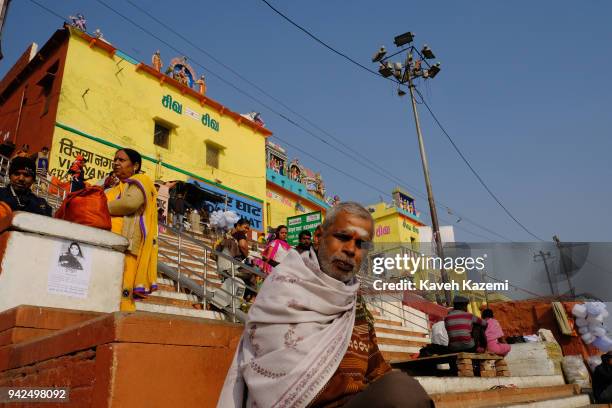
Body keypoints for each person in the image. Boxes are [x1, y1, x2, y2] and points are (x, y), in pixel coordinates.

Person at [219, 202, 433, 408]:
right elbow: (280, 379)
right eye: (342, 237)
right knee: (402, 392)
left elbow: (376, 369)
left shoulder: (356, 304)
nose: (350, 250)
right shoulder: (283, 287)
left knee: (405, 391)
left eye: (361, 244)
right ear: (319, 236)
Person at [105, 148, 158, 311]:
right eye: (115, 160)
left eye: (121, 160)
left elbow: (129, 204)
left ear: (135, 165)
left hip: (127, 246)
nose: (116, 163)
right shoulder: (111, 189)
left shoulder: (141, 181)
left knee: (123, 294)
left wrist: (97, 207)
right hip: (108, 243)